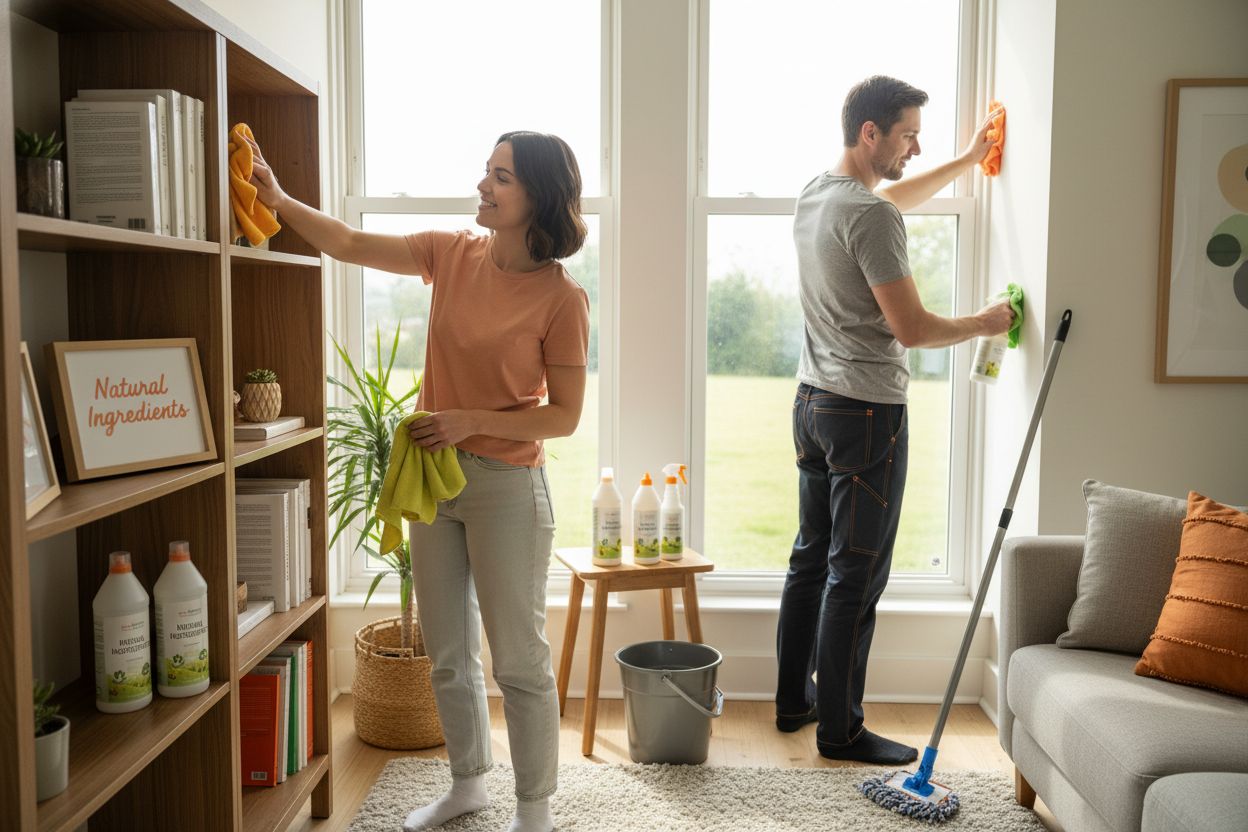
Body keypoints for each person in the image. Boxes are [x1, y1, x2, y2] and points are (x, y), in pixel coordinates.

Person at [247, 130, 590, 832]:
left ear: (538, 197)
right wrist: (278, 201)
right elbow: (344, 242)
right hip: (433, 479)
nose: (483, 186)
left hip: (507, 490)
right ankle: (469, 784)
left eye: (502, 177)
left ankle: (534, 810)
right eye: (486, 171)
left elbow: (563, 418)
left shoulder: (562, 300)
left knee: (519, 660)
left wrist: (469, 419)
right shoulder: (449, 253)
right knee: (448, 653)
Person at [775, 76, 1014, 766]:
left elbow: (887, 202)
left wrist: (967, 162)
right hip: (866, 411)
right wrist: (984, 322)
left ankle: (796, 701)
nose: (916, 144)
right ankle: (841, 731)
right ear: (870, 133)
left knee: (809, 559)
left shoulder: (820, 193)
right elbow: (909, 328)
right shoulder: (870, 216)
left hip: (812, 403)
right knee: (857, 572)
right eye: (908, 133)